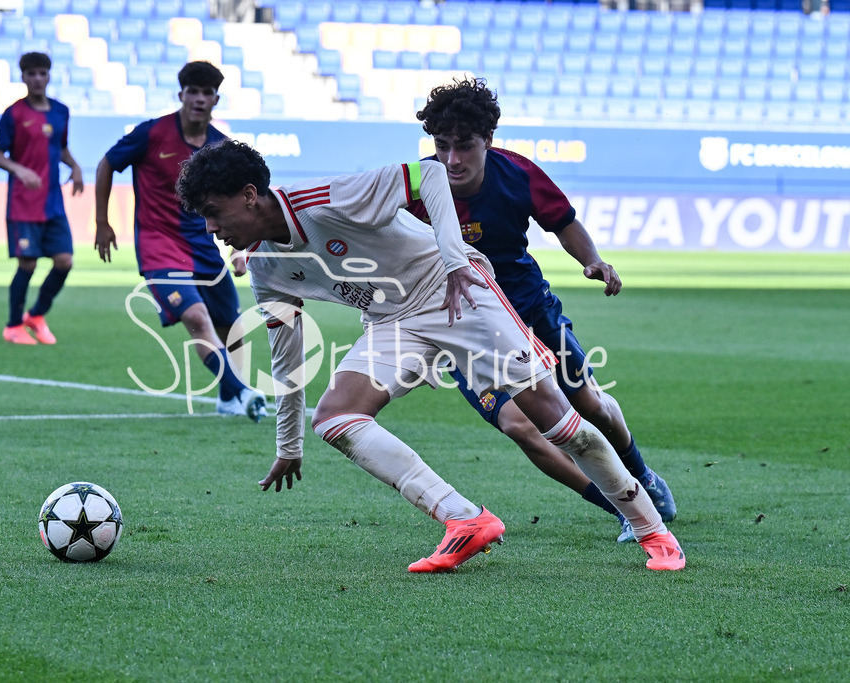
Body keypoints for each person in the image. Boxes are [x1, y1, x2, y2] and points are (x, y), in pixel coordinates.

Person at [176, 139, 686, 573]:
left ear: (248, 196)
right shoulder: (264, 267)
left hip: (455, 290)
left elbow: (430, 175)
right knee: (335, 418)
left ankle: (652, 530)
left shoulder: (328, 198)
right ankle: (465, 518)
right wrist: (289, 445)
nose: (211, 228)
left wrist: (453, 256)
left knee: (559, 425)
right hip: (394, 323)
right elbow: (286, 358)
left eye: (213, 213)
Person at [411, 77, 676, 544]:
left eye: (465, 146)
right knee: (519, 424)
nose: (452, 159)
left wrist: (592, 261)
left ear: (488, 141)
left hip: (530, 307)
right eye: (442, 145)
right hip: (467, 325)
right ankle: (622, 504)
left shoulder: (518, 173)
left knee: (587, 403)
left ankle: (644, 478)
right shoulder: (416, 185)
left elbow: (563, 222)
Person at [93, 61, 265, 421]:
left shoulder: (219, 146)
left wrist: (238, 247)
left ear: (216, 99)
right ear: (181, 95)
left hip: (202, 246)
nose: (200, 99)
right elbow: (107, 164)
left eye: (207, 93)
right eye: (193, 92)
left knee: (230, 326)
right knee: (198, 319)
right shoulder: (152, 134)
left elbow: (241, 201)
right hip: (158, 247)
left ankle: (227, 398)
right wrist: (102, 222)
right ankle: (243, 393)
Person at [0, 51, 84, 345]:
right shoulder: (14, 114)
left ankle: (37, 314)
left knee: (64, 261)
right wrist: (18, 169)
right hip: (23, 203)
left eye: (42, 73)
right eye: (31, 74)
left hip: (52, 202)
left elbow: (61, 149)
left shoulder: (61, 112)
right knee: (28, 264)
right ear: (23, 77)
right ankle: (13, 325)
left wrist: (76, 166)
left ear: (49, 75)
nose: (37, 79)